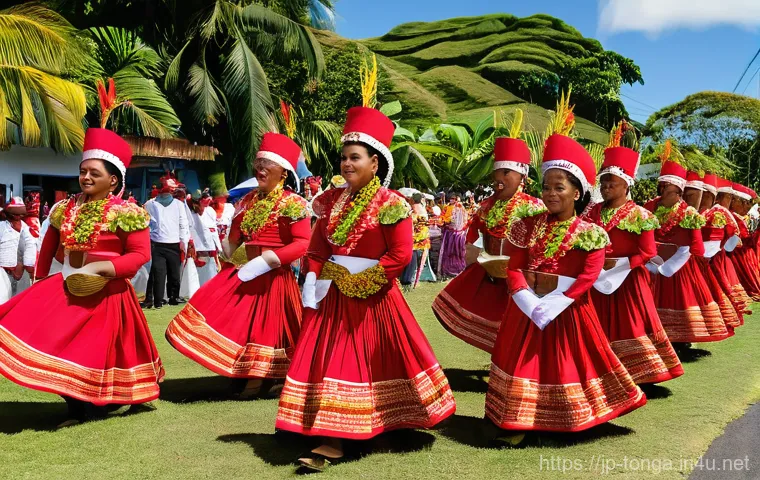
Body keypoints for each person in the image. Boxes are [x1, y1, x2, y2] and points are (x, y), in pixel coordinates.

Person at [276, 81, 456, 471]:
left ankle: (346, 434)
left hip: (374, 297)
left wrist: (366, 280)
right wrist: (313, 277)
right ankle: (331, 431)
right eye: (343, 157)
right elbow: (318, 246)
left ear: (375, 163)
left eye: (355, 157)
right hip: (335, 295)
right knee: (332, 362)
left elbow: (400, 254)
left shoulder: (393, 204)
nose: (346, 164)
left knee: (373, 362)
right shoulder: (329, 201)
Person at [485, 110, 645, 439]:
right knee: (523, 363)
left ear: (577, 192)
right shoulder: (526, 225)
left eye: (559, 187)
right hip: (524, 308)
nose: (550, 193)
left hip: (569, 311)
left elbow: (589, 274)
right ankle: (517, 422)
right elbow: (514, 265)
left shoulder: (591, 231)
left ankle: (567, 417)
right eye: (546, 187)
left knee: (566, 364)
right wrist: (525, 298)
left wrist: (559, 301)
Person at [0, 127, 164, 426]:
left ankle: (87, 406)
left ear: (113, 180)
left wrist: (102, 269)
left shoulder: (127, 211)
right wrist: (38, 283)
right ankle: (82, 404)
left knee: (96, 351)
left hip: (107, 293)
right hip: (64, 286)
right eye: (82, 171)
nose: (86, 177)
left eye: (94, 173)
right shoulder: (66, 208)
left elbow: (140, 256)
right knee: (49, 338)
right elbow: (48, 247)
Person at [166, 133, 309, 398]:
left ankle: (259, 379)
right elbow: (235, 238)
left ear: (284, 172)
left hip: (274, 276)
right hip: (247, 273)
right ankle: (248, 373)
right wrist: (228, 246)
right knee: (243, 325)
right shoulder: (247, 201)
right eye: (259, 163)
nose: (261, 169)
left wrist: (269, 260)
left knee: (268, 329)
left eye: (268, 164)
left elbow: (302, 243)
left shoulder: (294, 204)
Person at [433, 128, 546, 353]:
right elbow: (472, 238)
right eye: (496, 173)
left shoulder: (535, 208)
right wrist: (478, 256)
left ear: (522, 176)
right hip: (490, 273)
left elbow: (542, 244)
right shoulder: (486, 206)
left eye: (506, 173)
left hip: (522, 278)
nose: (499, 179)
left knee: (518, 326)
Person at [586, 130, 683, 385]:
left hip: (629, 281)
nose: (606, 188)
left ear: (627, 184)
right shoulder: (592, 212)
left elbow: (648, 252)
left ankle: (638, 372)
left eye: (612, 183)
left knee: (632, 324)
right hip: (596, 280)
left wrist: (620, 266)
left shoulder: (640, 215)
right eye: (603, 183)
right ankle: (601, 370)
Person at [644, 145, 729, 345]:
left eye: (668, 187)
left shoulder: (689, 214)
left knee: (680, 303)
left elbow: (697, 246)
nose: (663, 190)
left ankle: (680, 339)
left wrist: (693, 263)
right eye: (661, 185)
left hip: (680, 265)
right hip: (650, 264)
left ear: (679, 190)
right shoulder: (648, 207)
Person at [700, 174, 750, 326]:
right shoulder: (720, 212)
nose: (731, 201)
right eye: (730, 197)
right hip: (718, 259)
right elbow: (732, 243)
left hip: (712, 258)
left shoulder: (711, 212)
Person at [143, 175, 190, 309]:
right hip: (157, 244)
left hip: (174, 243)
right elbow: (146, 224)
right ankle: (157, 301)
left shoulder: (178, 204)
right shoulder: (150, 204)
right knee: (159, 273)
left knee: (174, 274)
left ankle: (173, 297)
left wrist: (183, 240)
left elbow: (183, 223)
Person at [0, 198, 37, 303]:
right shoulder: (2, 227)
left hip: (23, 272)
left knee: (20, 301)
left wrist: (29, 268)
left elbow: (31, 246)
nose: (17, 217)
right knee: (3, 300)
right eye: (14, 214)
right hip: (3, 270)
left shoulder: (27, 228)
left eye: (19, 215)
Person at [728, 183, 760, 301]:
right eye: (745, 202)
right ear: (734, 201)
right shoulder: (730, 216)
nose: (747, 207)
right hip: (737, 256)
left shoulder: (737, 217)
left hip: (745, 255)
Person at [438, 192, 468, 278]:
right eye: (451, 199)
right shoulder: (446, 207)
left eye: (454, 199)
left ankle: (457, 268)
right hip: (449, 232)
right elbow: (442, 216)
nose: (452, 200)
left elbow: (464, 219)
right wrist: (443, 220)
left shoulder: (460, 207)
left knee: (457, 251)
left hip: (458, 234)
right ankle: (447, 268)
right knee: (448, 251)